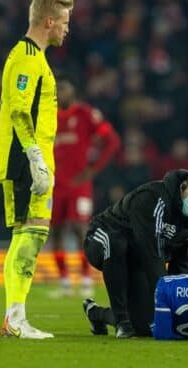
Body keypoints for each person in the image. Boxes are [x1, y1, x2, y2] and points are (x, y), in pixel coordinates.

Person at [0, 0, 73, 339]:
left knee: (30, 234)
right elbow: (19, 110)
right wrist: (35, 157)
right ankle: (15, 318)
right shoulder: (26, 57)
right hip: (24, 158)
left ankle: (16, 318)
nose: (67, 30)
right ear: (49, 21)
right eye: (65, 22)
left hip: (33, 157)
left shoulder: (35, 58)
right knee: (31, 234)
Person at [81, 164, 188, 338]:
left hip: (138, 257)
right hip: (101, 238)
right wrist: (169, 299)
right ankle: (121, 322)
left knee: (145, 328)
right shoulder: (152, 198)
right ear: (185, 185)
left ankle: (96, 313)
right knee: (116, 244)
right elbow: (152, 254)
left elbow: (180, 259)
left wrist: (180, 304)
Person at [50, 76, 121, 298]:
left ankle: (86, 279)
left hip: (79, 185)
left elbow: (112, 140)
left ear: (73, 93)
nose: (61, 94)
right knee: (57, 232)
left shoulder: (86, 114)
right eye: (58, 90)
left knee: (80, 228)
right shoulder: (49, 116)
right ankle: (64, 282)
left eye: (65, 90)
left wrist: (93, 170)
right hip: (54, 185)